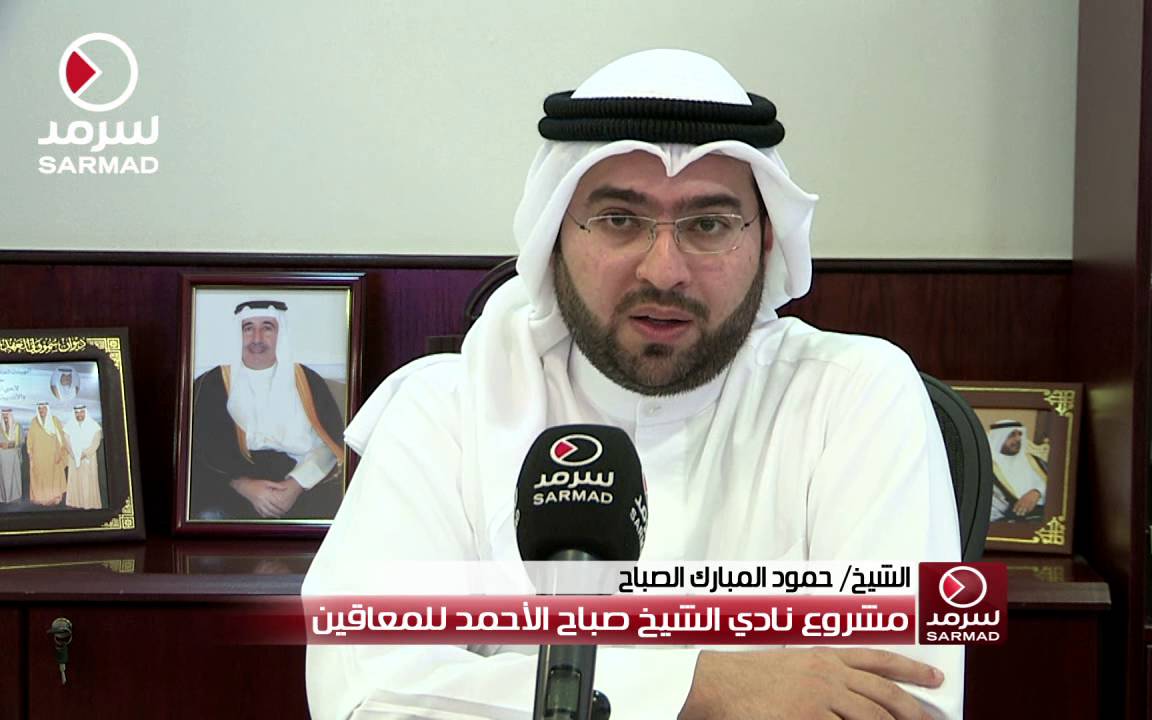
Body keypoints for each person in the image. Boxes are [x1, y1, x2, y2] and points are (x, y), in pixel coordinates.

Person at [304, 49, 962, 719]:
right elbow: (361, 694)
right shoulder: (444, 411)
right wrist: (704, 690)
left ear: (766, 241)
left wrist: (493, 687)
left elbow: (903, 700)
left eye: (709, 225)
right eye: (620, 220)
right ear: (554, 235)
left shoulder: (855, 398)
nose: (664, 270)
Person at [189, 300, 345, 520]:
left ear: (281, 333)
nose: (257, 338)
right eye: (248, 328)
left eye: (267, 328)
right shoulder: (211, 384)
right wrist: (245, 486)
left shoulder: (308, 382)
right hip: (232, 487)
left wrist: (296, 484)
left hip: (300, 486)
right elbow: (199, 452)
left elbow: (330, 445)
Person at [987, 419, 1049, 522]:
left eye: (1020, 434)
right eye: (1012, 435)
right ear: (997, 438)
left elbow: (1058, 487)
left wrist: (1037, 492)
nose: (1018, 439)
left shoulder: (1036, 461)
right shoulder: (988, 468)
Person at [63, 405, 104, 510]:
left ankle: (88, 503)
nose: (79, 415)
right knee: (75, 481)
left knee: (88, 481)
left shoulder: (94, 426)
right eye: (77, 413)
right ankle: (75, 502)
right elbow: (66, 441)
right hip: (74, 459)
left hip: (88, 458)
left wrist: (84, 454)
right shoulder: (69, 426)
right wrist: (74, 454)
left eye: (81, 412)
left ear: (85, 412)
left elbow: (96, 442)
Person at [26, 401, 67, 506]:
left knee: (53, 476)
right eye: (39, 408)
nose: (41, 410)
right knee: (40, 477)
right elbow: (30, 439)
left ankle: (54, 497)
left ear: (47, 409)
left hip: (52, 456)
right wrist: (30, 452)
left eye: (43, 408)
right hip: (38, 457)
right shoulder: (34, 421)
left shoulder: (54, 420)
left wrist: (60, 453)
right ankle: (41, 499)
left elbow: (61, 439)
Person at [0, 408, 21, 503]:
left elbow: (19, 441)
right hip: (2, 456)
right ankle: (4, 497)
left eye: (7, 414)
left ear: (10, 415)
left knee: (13, 476)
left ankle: (14, 497)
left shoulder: (16, 426)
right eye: (3, 414)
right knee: (3, 477)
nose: (5, 416)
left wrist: (8, 445)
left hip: (13, 456)